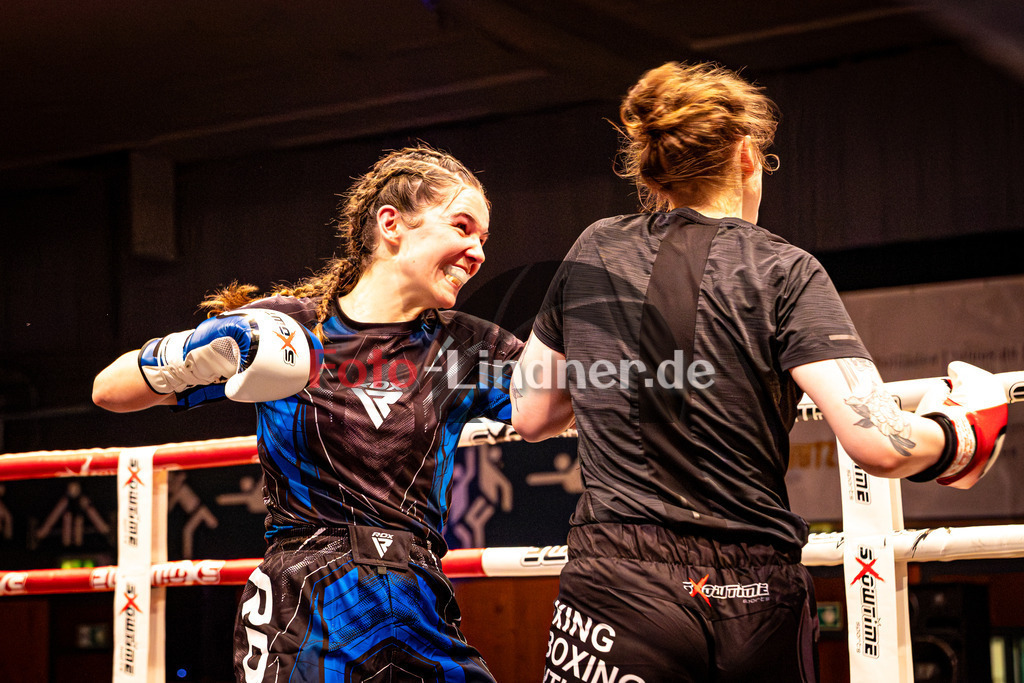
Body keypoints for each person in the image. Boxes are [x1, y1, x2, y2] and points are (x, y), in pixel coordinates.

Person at [509, 62, 1008, 682]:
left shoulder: (595, 248)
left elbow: (532, 414)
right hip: (752, 591)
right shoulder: (784, 269)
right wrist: (964, 432)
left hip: (617, 584)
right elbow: (881, 442)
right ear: (747, 154)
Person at [93, 145, 524, 682]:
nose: (477, 253)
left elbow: (567, 405)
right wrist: (198, 353)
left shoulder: (467, 347)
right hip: (306, 600)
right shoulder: (289, 330)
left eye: (484, 239)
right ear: (391, 224)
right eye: (462, 227)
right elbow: (109, 390)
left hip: (420, 598)